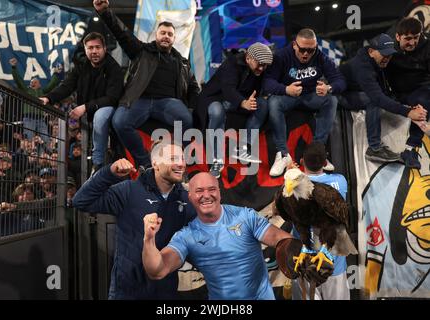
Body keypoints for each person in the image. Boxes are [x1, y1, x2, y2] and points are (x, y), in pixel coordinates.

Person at [142, 171, 305, 300]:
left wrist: (298, 253)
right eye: (199, 191)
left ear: (219, 193)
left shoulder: (245, 216)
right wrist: (149, 240)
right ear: (190, 197)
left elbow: (280, 238)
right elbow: (158, 270)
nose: (206, 195)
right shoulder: (187, 236)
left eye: (211, 189)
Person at [72, 141, 196, 299]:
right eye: (173, 158)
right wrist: (109, 172)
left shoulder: (186, 199)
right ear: (155, 163)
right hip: (127, 291)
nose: (181, 163)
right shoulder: (129, 190)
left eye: (182, 158)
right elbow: (80, 201)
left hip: (166, 291)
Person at [93, 0, 200, 170]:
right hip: (139, 100)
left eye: (170, 34)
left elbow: (194, 88)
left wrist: (196, 107)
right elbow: (122, 33)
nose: (166, 36)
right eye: (163, 32)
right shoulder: (141, 51)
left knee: (187, 119)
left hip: (168, 102)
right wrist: (105, 12)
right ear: (156, 35)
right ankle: (145, 162)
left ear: (174, 38)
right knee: (120, 122)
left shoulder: (183, 63)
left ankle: (176, 159)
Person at [264, 28, 346, 177]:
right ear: (295, 45)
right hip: (288, 97)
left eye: (310, 50)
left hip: (310, 97)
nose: (306, 54)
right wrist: (285, 89)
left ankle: (318, 151)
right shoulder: (282, 56)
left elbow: (340, 80)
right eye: (302, 50)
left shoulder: (320, 57)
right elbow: (267, 82)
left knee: (331, 100)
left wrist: (329, 87)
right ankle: (283, 154)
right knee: (273, 102)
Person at [40, 32, 124, 173]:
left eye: (97, 47)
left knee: (100, 116)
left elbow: (112, 97)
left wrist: (85, 107)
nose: (94, 51)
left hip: (111, 108)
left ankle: (97, 165)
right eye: (90, 48)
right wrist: (48, 98)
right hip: (90, 112)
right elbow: (67, 86)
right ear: (85, 50)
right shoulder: (81, 66)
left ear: (104, 48)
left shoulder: (114, 68)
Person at [340, 33, 428, 168]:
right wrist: (408, 112)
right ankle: (374, 148)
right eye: (384, 54)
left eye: (390, 54)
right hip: (342, 94)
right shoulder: (362, 66)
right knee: (373, 100)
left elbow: (386, 92)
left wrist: (411, 107)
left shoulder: (379, 61)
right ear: (371, 52)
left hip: (359, 90)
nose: (387, 58)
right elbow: (377, 98)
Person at [194, 43, 273, 178]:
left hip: (238, 101)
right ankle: (216, 160)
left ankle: (244, 147)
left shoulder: (260, 70)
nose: (261, 68)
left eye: (265, 65)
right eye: (259, 64)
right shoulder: (231, 63)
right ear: (248, 58)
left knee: (263, 104)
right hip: (216, 98)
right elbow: (228, 89)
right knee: (217, 111)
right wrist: (243, 103)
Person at [289, 142, 350, 300]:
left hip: (305, 267)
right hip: (333, 265)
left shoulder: (291, 185)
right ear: (325, 162)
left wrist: (293, 173)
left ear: (302, 162)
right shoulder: (341, 181)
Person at [387, 17, 430, 168]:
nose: (412, 43)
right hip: (396, 93)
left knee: (424, 99)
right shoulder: (388, 49)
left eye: (416, 38)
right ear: (398, 37)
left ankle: (410, 148)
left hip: (421, 91)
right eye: (408, 39)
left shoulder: (428, 47)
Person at [9, 57, 62, 144]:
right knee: (29, 140)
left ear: (39, 85)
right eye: (31, 82)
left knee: (46, 140)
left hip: (40, 119)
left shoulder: (42, 92)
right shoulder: (26, 90)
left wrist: (56, 73)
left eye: (35, 82)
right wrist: (14, 68)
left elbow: (52, 85)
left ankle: (48, 155)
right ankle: (29, 156)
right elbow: (18, 80)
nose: (32, 83)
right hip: (29, 118)